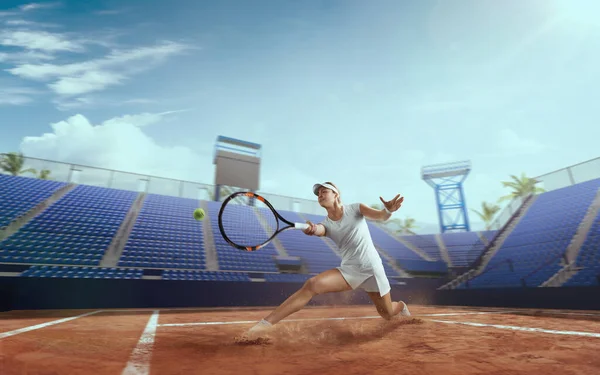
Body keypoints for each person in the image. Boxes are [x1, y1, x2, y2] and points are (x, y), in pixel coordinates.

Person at [242, 181, 410, 340]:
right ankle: (263, 326)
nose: (320, 195)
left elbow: (381, 216)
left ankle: (401, 307)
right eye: (318, 193)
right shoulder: (326, 224)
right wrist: (312, 229)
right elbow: (320, 229)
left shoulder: (356, 208)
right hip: (350, 270)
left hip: (372, 268)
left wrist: (387, 210)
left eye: (324, 191)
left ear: (336, 194)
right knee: (312, 285)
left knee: (387, 313)